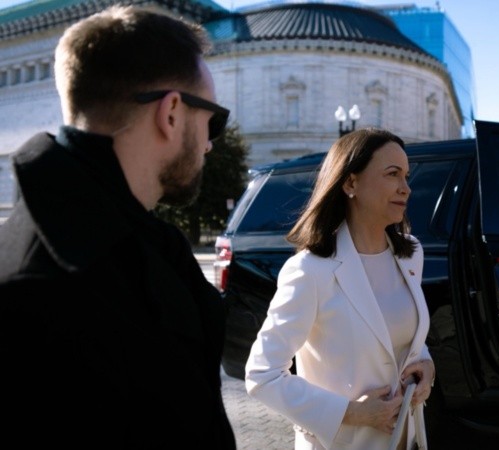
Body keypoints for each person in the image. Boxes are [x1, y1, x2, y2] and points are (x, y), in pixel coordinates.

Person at [0, 6, 235, 449]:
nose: (208, 144)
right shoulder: (42, 292)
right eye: (213, 121)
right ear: (170, 113)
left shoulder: (127, 246)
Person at [245, 128, 435, 450]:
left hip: (410, 438)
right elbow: (262, 375)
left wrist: (426, 366)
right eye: (392, 174)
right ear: (350, 183)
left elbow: (401, 333)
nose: (406, 188)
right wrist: (353, 413)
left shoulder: (411, 253)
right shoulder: (309, 270)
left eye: (406, 175)